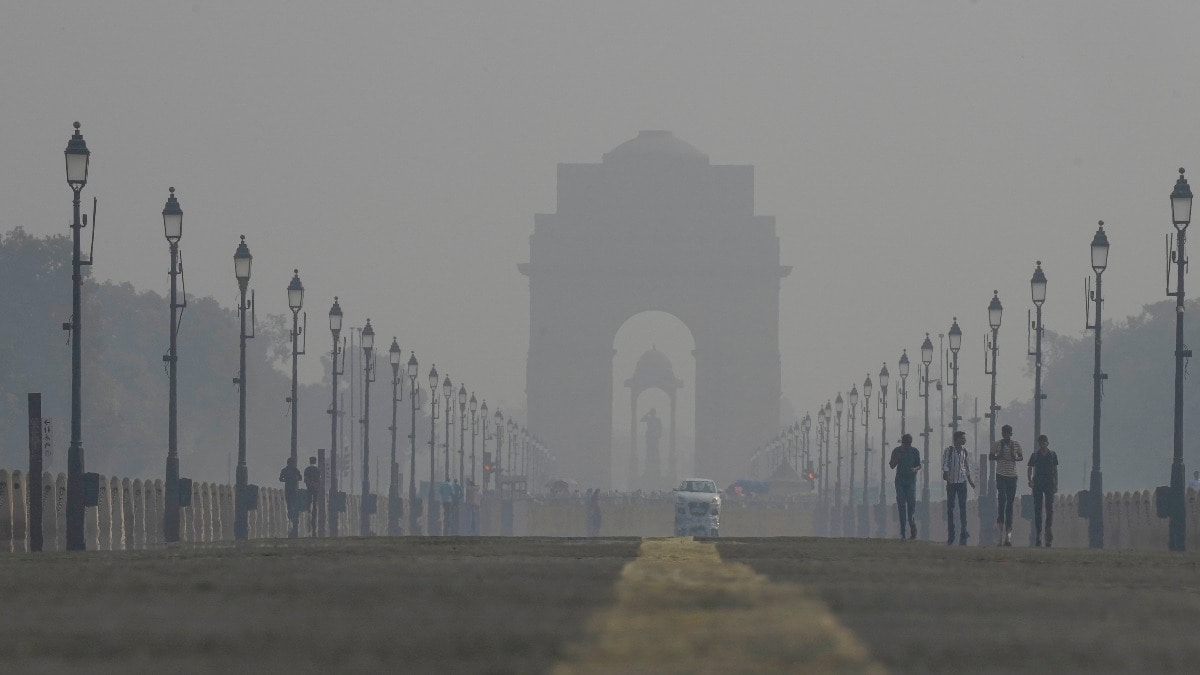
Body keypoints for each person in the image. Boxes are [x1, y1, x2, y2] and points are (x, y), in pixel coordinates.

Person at [989, 424, 1023, 547]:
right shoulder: (997, 444)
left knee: (1010, 504)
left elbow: (1021, 457)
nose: (1006, 435)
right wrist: (999, 456)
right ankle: (1000, 532)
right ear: (1002, 433)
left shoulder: (1016, 444)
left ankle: (1008, 534)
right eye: (1004, 433)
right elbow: (991, 456)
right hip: (1001, 475)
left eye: (1008, 433)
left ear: (1011, 434)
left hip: (1012, 476)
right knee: (1002, 501)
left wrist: (1015, 458)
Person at [941, 430, 975, 545]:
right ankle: (951, 533)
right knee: (950, 508)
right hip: (951, 482)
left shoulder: (965, 452)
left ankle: (963, 531)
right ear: (956, 439)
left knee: (962, 507)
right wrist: (945, 473)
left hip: (962, 482)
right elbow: (945, 463)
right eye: (962, 438)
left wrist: (970, 481)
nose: (964, 440)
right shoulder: (949, 451)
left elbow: (966, 466)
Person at [1027, 434, 1059, 547]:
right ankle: (1039, 533)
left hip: (1049, 483)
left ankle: (1048, 530)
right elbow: (1029, 468)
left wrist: (1056, 483)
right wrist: (1030, 480)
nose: (1043, 444)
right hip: (1038, 484)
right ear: (1039, 444)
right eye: (1041, 442)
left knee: (1049, 508)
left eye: (1044, 442)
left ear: (1047, 443)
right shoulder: (1035, 456)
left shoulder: (1052, 455)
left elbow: (1055, 470)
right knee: (1038, 509)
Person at [889, 433, 921, 539]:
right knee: (901, 505)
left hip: (911, 481)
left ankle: (912, 524)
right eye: (904, 444)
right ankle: (902, 531)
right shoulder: (897, 451)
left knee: (911, 505)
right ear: (902, 443)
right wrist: (899, 457)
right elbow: (892, 465)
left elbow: (919, 465)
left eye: (908, 445)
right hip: (900, 481)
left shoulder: (914, 451)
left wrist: (915, 469)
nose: (906, 446)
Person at [278, 457, 302, 539]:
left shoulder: (284, 470)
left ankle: (290, 517)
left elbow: (280, 479)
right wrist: (295, 479)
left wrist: (286, 480)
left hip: (288, 489)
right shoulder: (295, 469)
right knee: (294, 504)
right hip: (294, 489)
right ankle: (294, 520)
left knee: (289, 505)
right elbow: (300, 478)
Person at [302, 456, 321, 537]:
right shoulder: (317, 469)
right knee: (315, 503)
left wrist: (309, 484)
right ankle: (314, 512)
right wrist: (316, 485)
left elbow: (305, 479)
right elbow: (320, 479)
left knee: (309, 501)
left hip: (309, 488)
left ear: (309, 461)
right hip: (316, 488)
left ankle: (309, 512)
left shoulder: (307, 469)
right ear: (315, 461)